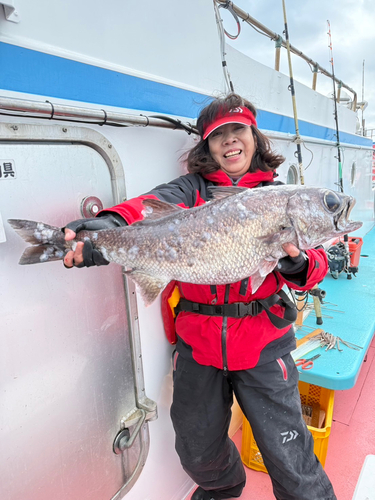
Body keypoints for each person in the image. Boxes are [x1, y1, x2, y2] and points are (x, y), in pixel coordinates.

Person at [63, 93, 337, 500]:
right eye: (218, 135)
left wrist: (296, 265)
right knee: (196, 450)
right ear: (207, 146)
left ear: (254, 137)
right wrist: (105, 226)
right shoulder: (191, 189)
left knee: (291, 457)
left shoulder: (278, 195)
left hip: (263, 344)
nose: (230, 141)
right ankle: (223, 489)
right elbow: (145, 210)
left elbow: (316, 265)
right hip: (197, 344)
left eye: (238, 130)